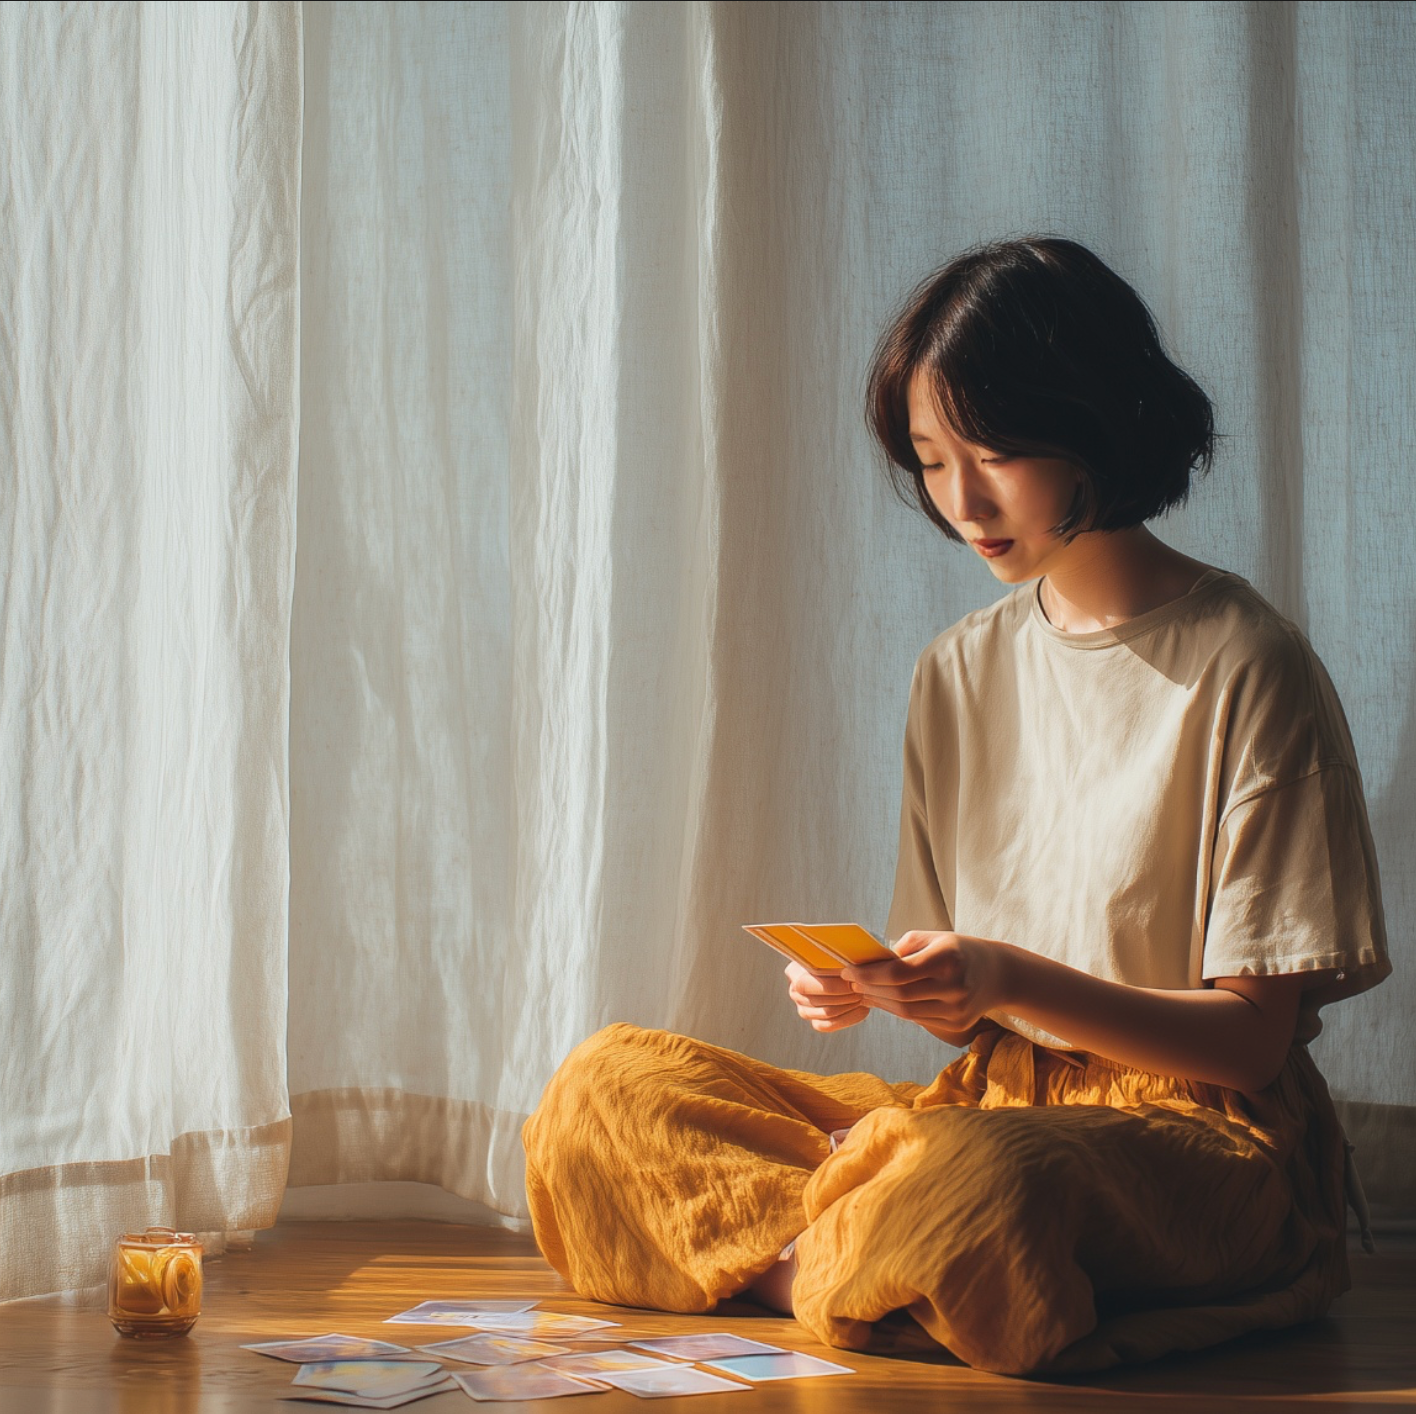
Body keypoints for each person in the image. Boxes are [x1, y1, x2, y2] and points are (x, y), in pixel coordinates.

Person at [521, 237, 1390, 1375]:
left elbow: (1250, 1043)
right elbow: (966, 1023)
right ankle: (888, 1270)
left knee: (983, 1183)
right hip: (977, 1102)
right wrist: (897, 982)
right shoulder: (956, 670)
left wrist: (1010, 977)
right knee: (599, 1094)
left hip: (1194, 1145)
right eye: (931, 461)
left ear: (1104, 422)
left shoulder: (1248, 666)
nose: (963, 500)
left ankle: (865, 1254)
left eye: (1000, 452)